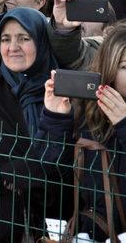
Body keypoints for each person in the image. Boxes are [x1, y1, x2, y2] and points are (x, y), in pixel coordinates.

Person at [0, 7, 71, 242]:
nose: (13, 47)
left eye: (24, 38)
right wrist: (51, 131)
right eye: (5, 39)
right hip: (1, 221)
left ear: (42, 41)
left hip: (58, 217)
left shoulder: (61, 89)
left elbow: (68, 169)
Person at [43, 23, 126, 241]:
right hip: (91, 232)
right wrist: (56, 118)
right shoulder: (87, 115)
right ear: (108, 69)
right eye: (125, 66)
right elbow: (56, 182)